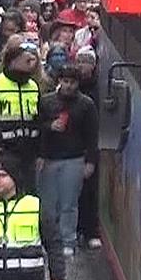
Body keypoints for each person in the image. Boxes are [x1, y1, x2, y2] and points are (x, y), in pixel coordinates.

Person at [36, 65, 97, 256]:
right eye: (65, 81)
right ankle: (49, 240)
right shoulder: (46, 102)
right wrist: (49, 127)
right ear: (59, 81)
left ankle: (67, 239)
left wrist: (90, 161)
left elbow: (92, 136)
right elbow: (36, 127)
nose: (68, 86)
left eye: (72, 82)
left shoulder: (86, 105)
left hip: (74, 158)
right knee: (48, 203)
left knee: (69, 203)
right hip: (50, 158)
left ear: (78, 83)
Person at [0, 42, 42, 180]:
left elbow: (38, 120)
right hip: (2, 152)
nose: (31, 64)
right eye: (27, 60)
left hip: (28, 152)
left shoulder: (33, 86)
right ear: (13, 61)